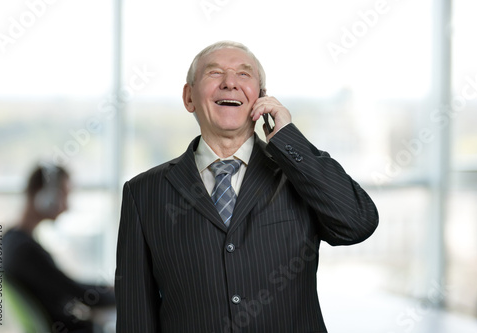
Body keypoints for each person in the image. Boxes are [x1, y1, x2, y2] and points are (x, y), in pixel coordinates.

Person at [115, 40, 379, 333]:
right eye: (214, 73)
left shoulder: (297, 176)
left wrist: (289, 140)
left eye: (244, 74)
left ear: (262, 98)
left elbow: (357, 223)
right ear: (189, 97)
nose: (230, 83)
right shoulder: (144, 192)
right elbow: (135, 314)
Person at [4, 164, 115, 333]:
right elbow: (72, 290)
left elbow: (63, 284)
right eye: (63, 194)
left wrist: (107, 289)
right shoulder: (24, 250)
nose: (66, 206)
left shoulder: (10, 239)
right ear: (44, 196)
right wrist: (126, 294)